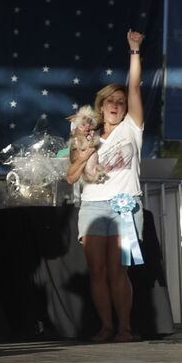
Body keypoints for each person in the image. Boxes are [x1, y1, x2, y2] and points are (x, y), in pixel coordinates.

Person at [66, 30, 145, 343]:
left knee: (117, 271)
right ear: (100, 106)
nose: (116, 104)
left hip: (125, 205)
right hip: (93, 206)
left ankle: (125, 328)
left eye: (121, 102)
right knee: (97, 272)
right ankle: (106, 327)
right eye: (110, 101)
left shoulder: (132, 128)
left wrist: (134, 51)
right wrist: (85, 150)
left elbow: (136, 86)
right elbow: (71, 176)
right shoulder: (85, 134)